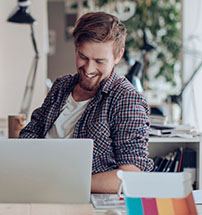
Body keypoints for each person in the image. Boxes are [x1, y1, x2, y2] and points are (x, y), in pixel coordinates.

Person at [19, 12, 153, 193]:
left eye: (99, 61)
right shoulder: (61, 86)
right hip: (33, 186)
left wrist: (63, 183)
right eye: (83, 57)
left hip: (77, 196)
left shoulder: (125, 99)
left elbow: (132, 174)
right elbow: (30, 135)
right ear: (76, 48)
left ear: (118, 56)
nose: (89, 69)